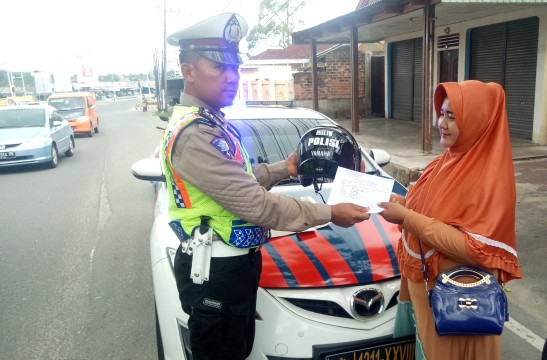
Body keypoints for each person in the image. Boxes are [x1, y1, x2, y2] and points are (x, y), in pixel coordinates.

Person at [161, 12, 370, 360]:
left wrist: (282, 168)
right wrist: (330, 212)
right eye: (219, 67)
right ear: (188, 72)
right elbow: (256, 205)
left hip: (232, 269)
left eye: (235, 68)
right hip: (216, 272)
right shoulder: (195, 134)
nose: (232, 78)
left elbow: (238, 181)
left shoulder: (211, 123)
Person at [379, 80, 523, 360]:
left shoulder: (489, 179)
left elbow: (474, 248)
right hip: (427, 299)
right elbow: (432, 211)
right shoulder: (444, 161)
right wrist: (405, 204)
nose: (441, 123)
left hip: (456, 308)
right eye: (441, 113)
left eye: (452, 116)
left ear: (476, 121)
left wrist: (407, 217)